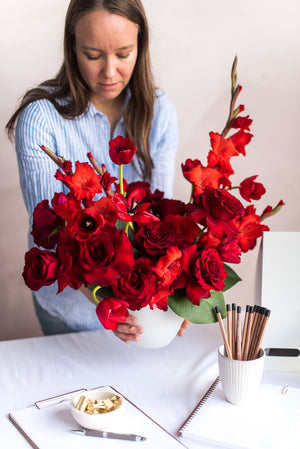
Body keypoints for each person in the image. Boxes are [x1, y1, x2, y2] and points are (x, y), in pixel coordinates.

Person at [6, 0, 189, 342]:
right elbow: (53, 235)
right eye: (92, 55)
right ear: (72, 45)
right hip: (69, 312)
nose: (109, 72)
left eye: (123, 53)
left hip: (140, 312)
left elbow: (158, 226)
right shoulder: (41, 119)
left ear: (141, 45)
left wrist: (173, 295)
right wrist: (105, 303)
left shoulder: (159, 112)